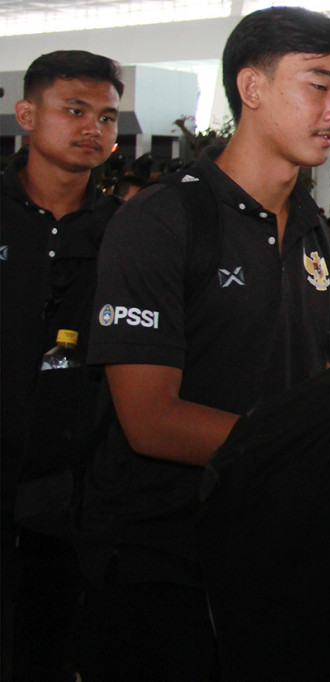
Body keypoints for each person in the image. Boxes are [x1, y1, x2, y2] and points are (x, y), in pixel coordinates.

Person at [75, 8, 330, 680]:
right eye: (318, 86)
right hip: (169, 566)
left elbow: (320, 377)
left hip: (281, 555)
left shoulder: (314, 227)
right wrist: (310, 456)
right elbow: (149, 419)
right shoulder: (164, 220)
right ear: (251, 89)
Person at [1, 49, 123, 682]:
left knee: (50, 644)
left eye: (107, 117)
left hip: (69, 480)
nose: (93, 130)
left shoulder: (123, 234)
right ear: (26, 114)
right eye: (75, 110)